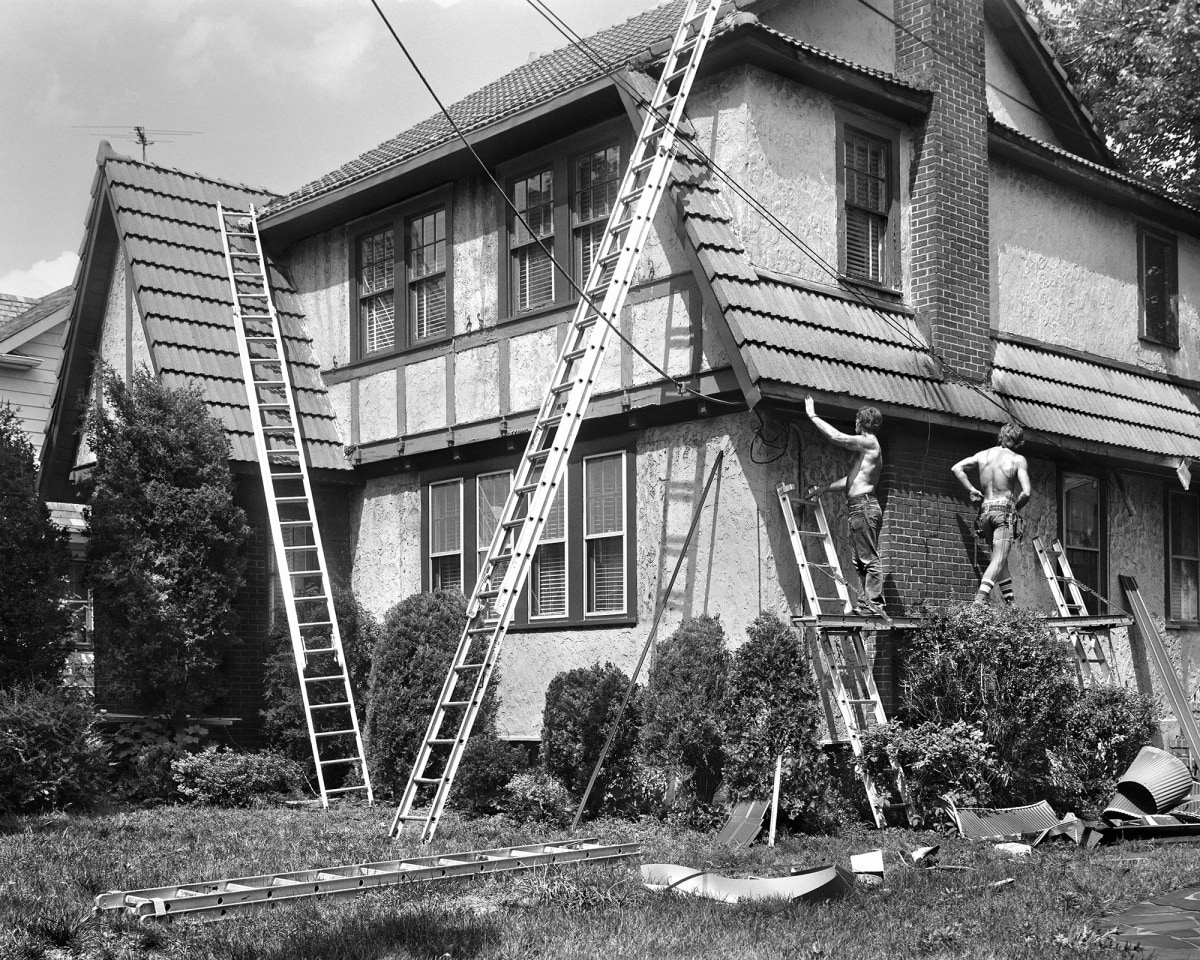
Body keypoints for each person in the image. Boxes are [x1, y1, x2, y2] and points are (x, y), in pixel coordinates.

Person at [804, 396, 885, 615]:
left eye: (856, 421)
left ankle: (874, 605)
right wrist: (825, 488)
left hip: (864, 507)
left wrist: (813, 415)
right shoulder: (866, 451)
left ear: (860, 422)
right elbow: (852, 482)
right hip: (859, 507)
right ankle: (867, 604)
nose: (854, 424)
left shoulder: (869, 443)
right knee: (859, 560)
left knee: (868, 558)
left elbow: (837, 437)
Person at [951, 422, 1032, 605]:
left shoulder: (983, 455)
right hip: (1004, 512)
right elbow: (1026, 492)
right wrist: (1016, 508)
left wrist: (971, 489)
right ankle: (979, 601)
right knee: (999, 558)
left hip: (985, 513)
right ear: (1017, 440)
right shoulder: (1017, 459)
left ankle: (1010, 604)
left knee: (1000, 559)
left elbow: (956, 468)